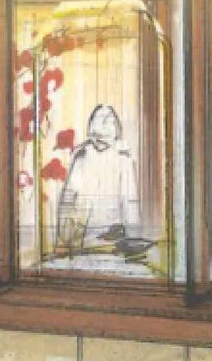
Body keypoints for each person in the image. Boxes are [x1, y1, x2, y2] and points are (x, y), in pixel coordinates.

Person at [55, 102, 150, 263]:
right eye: (101, 118)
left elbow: (130, 201)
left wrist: (133, 239)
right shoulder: (82, 156)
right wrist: (64, 239)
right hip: (82, 237)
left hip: (114, 238)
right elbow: (69, 198)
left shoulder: (123, 158)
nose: (106, 122)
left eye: (109, 119)